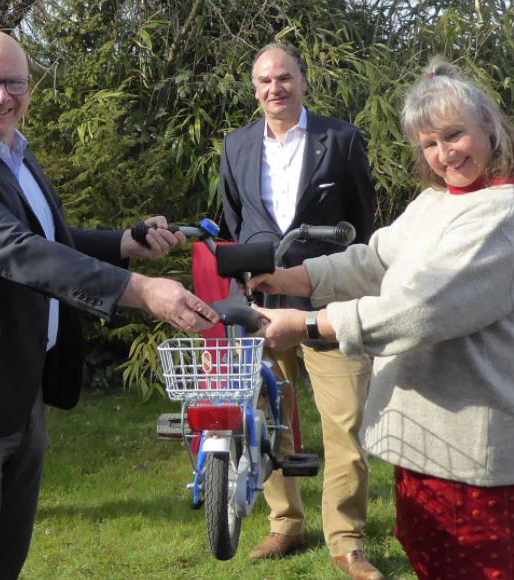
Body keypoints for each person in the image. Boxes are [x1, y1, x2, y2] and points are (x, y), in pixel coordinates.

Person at [0, 29, 217, 579]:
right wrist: (140, 291)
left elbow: (46, 235)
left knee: (3, 562)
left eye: (15, 83)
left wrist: (121, 242)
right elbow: (17, 252)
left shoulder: (13, 152)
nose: (2, 96)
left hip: (19, 391)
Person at [249, 56, 514, 580]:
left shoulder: (502, 215)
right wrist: (292, 277)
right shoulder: (440, 201)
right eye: (429, 144)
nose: (443, 155)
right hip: (429, 447)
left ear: (489, 126)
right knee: (431, 563)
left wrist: (309, 325)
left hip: (477, 457)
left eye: (454, 135)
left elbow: (418, 311)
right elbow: (375, 259)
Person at [219, 43, 381, 579]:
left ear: (304, 81)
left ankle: (346, 539)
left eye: (284, 77)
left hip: (331, 299)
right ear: (254, 88)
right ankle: (284, 522)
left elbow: (362, 220)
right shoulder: (236, 146)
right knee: (266, 414)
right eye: (264, 81)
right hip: (263, 302)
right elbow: (233, 221)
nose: (274, 89)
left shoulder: (341, 139)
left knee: (346, 422)